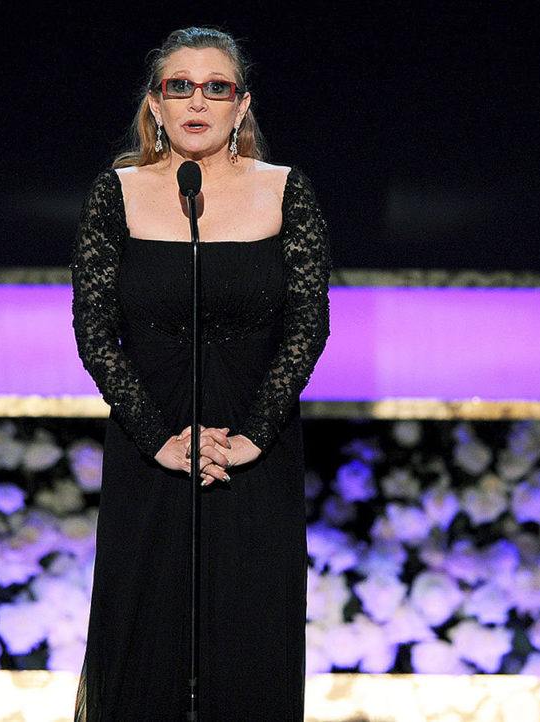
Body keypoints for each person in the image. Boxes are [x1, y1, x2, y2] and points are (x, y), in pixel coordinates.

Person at [70, 26, 331, 722]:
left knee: (247, 635)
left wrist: (248, 438)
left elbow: (308, 327)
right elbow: (95, 332)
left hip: (253, 454)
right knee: (146, 639)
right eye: (178, 85)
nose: (197, 99)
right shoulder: (115, 194)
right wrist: (160, 440)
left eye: (216, 87)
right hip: (148, 449)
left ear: (240, 107)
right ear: (155, 106)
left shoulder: (286, 192)